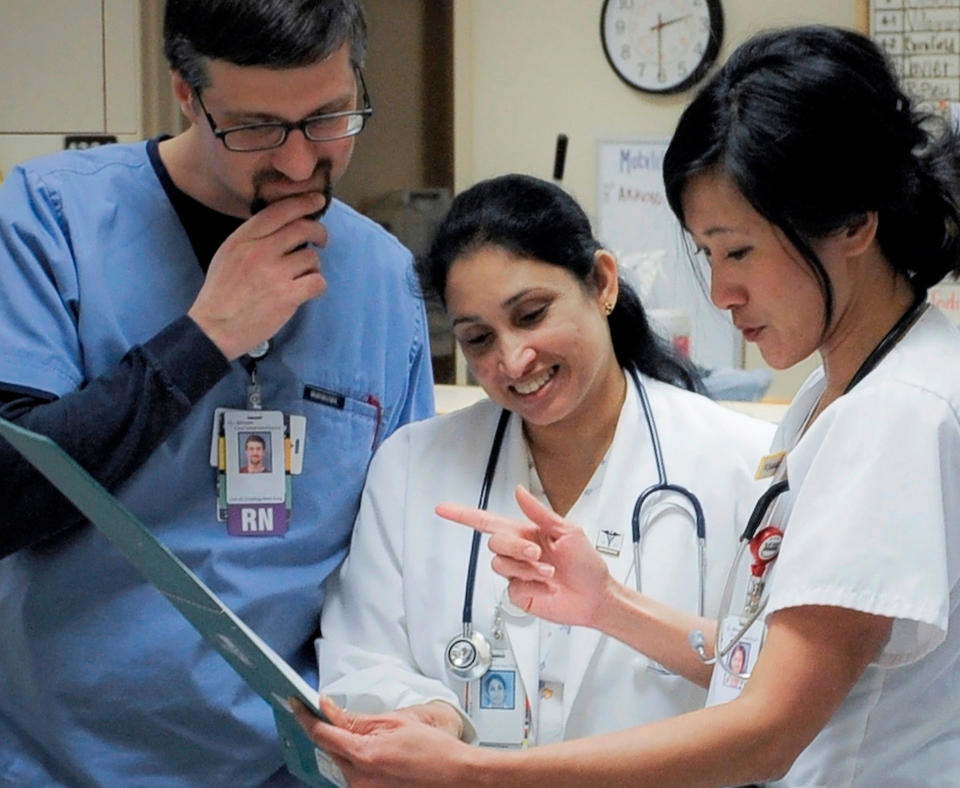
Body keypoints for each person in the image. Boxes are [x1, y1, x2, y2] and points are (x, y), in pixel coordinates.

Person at [294, 26, 960, 787]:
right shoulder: (844, 394)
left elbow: (768, 729)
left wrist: (472, 774)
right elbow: (764, 662)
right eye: (707, 255)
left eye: (737, 250)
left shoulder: (898, 413)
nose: (720, 293)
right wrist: (611, 604)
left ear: (851, 224)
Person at [0, 1, 433, 785]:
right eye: (257, 127)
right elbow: (5, 497)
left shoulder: (382, 278)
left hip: (288, 764)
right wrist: (203, 340)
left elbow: (397, 561)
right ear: (186, 94)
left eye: (331, 116)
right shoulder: (52, 218)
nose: (301, 165)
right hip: (55, 760)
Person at [312, 173, 773, 750]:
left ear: (602, 283)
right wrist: (428, 711)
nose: (513, 358)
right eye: (478, 338)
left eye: (531, 314)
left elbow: (783, 686)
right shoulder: (410, 468)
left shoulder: (743, 465)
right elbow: (362, 655)